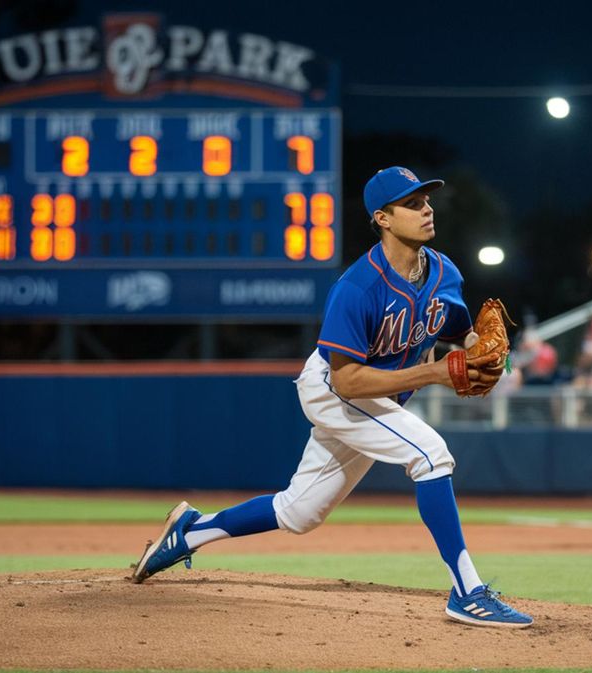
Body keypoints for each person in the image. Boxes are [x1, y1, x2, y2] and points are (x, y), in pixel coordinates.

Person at [130, 166, 533, 628]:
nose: (426, 209)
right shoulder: (358, 287)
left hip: (377, 401)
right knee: (431, 456)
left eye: (426, 200)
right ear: (383, 218)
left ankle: (192, 531)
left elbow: (460, 333)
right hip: (332, 389)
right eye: (413, 203)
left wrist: (478, 355)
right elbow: (347, 381)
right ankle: (468, 592)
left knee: (299, 512)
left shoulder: (444, 272)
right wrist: (438, 372)